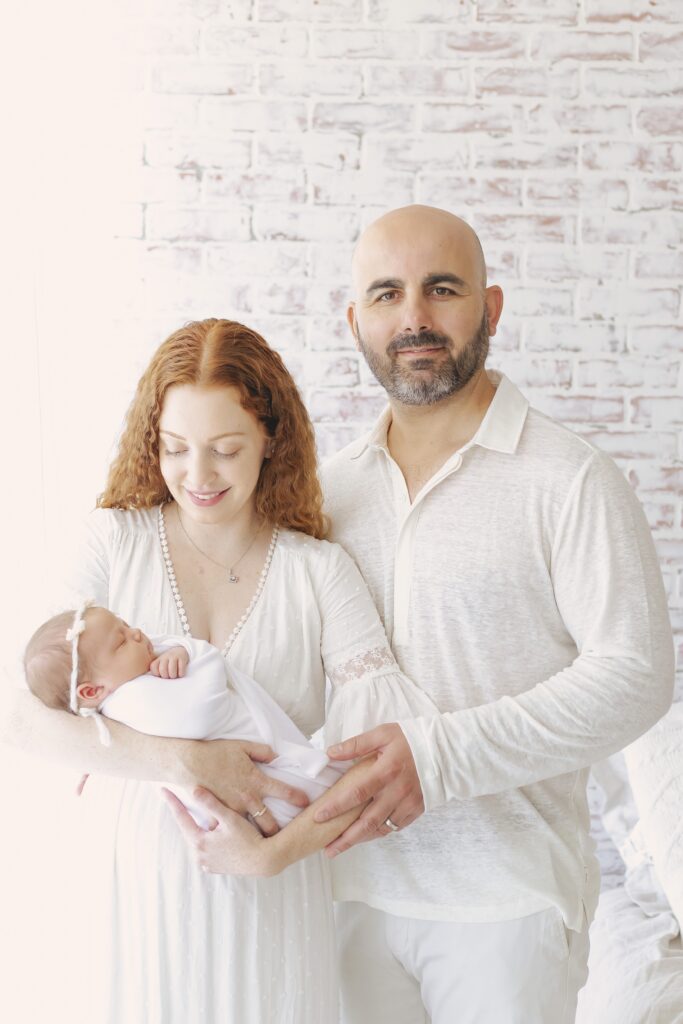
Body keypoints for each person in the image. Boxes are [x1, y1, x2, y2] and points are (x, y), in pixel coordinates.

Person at [177, 207, 675, 1024]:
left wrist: (435, 755)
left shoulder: (572, 480)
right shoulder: (324, 492)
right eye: (386, 293)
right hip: (341, 892)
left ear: (491, 308)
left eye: (441, 289)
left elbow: (636, 677)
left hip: (505, 903)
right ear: (354, 320)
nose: (413, 318)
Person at [9, 317, 436, 1023]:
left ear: (270, 440)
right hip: (129, 895)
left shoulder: (318, 572)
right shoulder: (113, 542)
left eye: (225, 450)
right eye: (175, 449)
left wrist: (277, 854)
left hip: (269, 896)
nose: (197, 477)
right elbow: (18, 719)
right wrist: (186, 765)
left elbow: (390, 753)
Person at [23, 603, 351, 830]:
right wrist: (196, 654)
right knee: (328, 791)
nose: (137, 632)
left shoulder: (126, 686)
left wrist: (176, 651)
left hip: (241, 792)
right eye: (121, 641)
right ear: (92, 692)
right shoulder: (133, 698)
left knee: (332, 795)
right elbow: (204, 710)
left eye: (125, 624)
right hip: (261, 780)